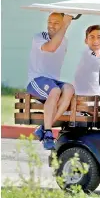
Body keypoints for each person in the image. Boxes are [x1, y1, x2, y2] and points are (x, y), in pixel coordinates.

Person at [26, 12, 75, 150]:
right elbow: (51, 47)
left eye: (56, 23)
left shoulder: (64, 40)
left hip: (52, 81)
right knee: (55, 90)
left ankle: (43, 127)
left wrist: (65, 25)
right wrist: (65, 25)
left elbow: (57, 43)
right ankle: (48, 133)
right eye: (49, 22)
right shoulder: (39, 37)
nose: (51, 25)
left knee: (69, 89)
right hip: (36, 80)